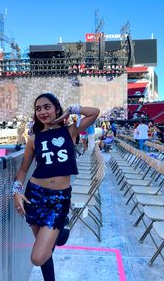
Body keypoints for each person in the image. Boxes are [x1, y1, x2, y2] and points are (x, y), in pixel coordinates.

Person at [12, 93, 100, 281]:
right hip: (34, 196)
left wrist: (72, 110)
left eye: (47, 107)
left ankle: (60, 233)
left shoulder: (70, 131)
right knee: (44, 251)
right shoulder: (34, 139)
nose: (42, 111)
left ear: (56, 109)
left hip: (59, 199)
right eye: (38, 109)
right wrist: (16, 192)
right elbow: (22, 170)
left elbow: (94, 113)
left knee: (37, 257)